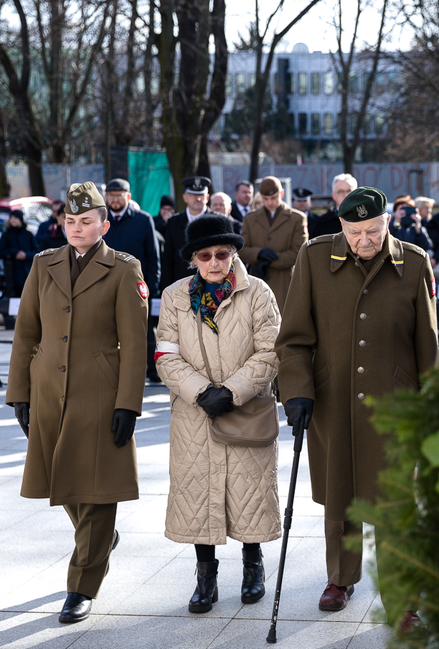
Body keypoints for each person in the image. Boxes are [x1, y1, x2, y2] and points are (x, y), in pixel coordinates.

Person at [275, 187, 438, 624]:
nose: (365, 240)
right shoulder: (314, 258)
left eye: (373, 231)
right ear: (341, 226)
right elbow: (293, 338)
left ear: (388, 223)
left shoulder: (414, 262)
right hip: (333, 400)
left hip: (396, 404)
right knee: (340, 495)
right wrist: (296, 390)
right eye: (355, 232)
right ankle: (340, 578)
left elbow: (428, 344)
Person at [5, 181, 148, 624]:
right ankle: (102, 540)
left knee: (98, 488)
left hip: (99, 394)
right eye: (70, 221)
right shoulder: (43, 264)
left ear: (105, 225)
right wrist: (19, 393)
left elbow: (135, 343)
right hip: (48, 390)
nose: (77, 228)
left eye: (86, 221)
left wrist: (129, 403)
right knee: (62, 477)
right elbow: (26, 332)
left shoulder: (124, 269)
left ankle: (82, 586)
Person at [155, 214, 282, 614]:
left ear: (233, 254)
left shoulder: (257, 292)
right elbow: (165, 354)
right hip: (194, 414)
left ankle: (253, 565)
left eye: (222, 254)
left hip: (246, 409)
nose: (214, 262)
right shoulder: (174, 296)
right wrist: (201, 391)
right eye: (205, 255)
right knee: (198, 492)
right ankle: (205, 575)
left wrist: (232, 391)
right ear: (193, 258)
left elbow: (270, 350)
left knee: (250, 489)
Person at [103, 178, 162, 383]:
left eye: (119, 196)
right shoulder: (100, 220)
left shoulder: (143, 220)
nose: (115, 200)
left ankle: (151, 370)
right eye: (111, 196)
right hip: (105, 287)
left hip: (137, 288)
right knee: (109, 330)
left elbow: (153, 257)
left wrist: (151, 288)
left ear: (128, 196)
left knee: (143, 332)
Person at [238, 176, 308, 310]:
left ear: (282, 193)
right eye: (265, 199)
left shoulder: (297, 219)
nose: (270, 202)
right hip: (257, 282)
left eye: (273, 198)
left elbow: (299, 252)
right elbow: (242, 249)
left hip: (285, 283)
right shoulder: (250, 219)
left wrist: (270, 261)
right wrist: (259, 254)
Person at [162, 176, 211, 292]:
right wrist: (167, 289)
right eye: (193, 195)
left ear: (207, 197)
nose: (198, 198)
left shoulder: (217, 221)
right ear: (185, 197)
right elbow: (168, 258)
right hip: (181, 285)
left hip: (210, 286)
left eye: (201, 195)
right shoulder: (174, 223)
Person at [0, 210, 38, 315]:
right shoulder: (6, 235)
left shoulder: (28, 235)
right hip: (12, 275)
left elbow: (37, 252)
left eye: (15, 218)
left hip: (27, 272)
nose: (13, 220)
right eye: (11, 218)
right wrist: (14, 252)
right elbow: (0, 252)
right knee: (13, 300)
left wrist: (26, 255)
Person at [309, 173, 355, 239]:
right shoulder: (323, 223)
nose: (346, 195)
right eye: (340, 192)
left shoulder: (365, 219)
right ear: (333, 196)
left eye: (349, 191)